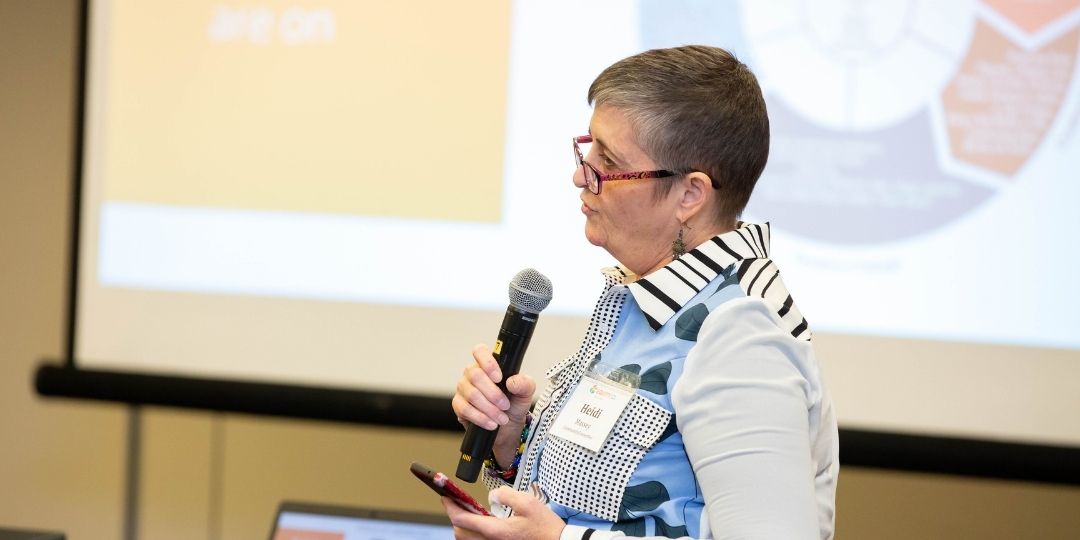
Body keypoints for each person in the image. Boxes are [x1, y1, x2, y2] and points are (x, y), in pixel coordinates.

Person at [446, 45, 838, 540]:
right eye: (588, 148)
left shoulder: (740, 335)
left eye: (607, 160)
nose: (580, 174)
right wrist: (511, 445)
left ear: (690, 195)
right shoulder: (648, 301)